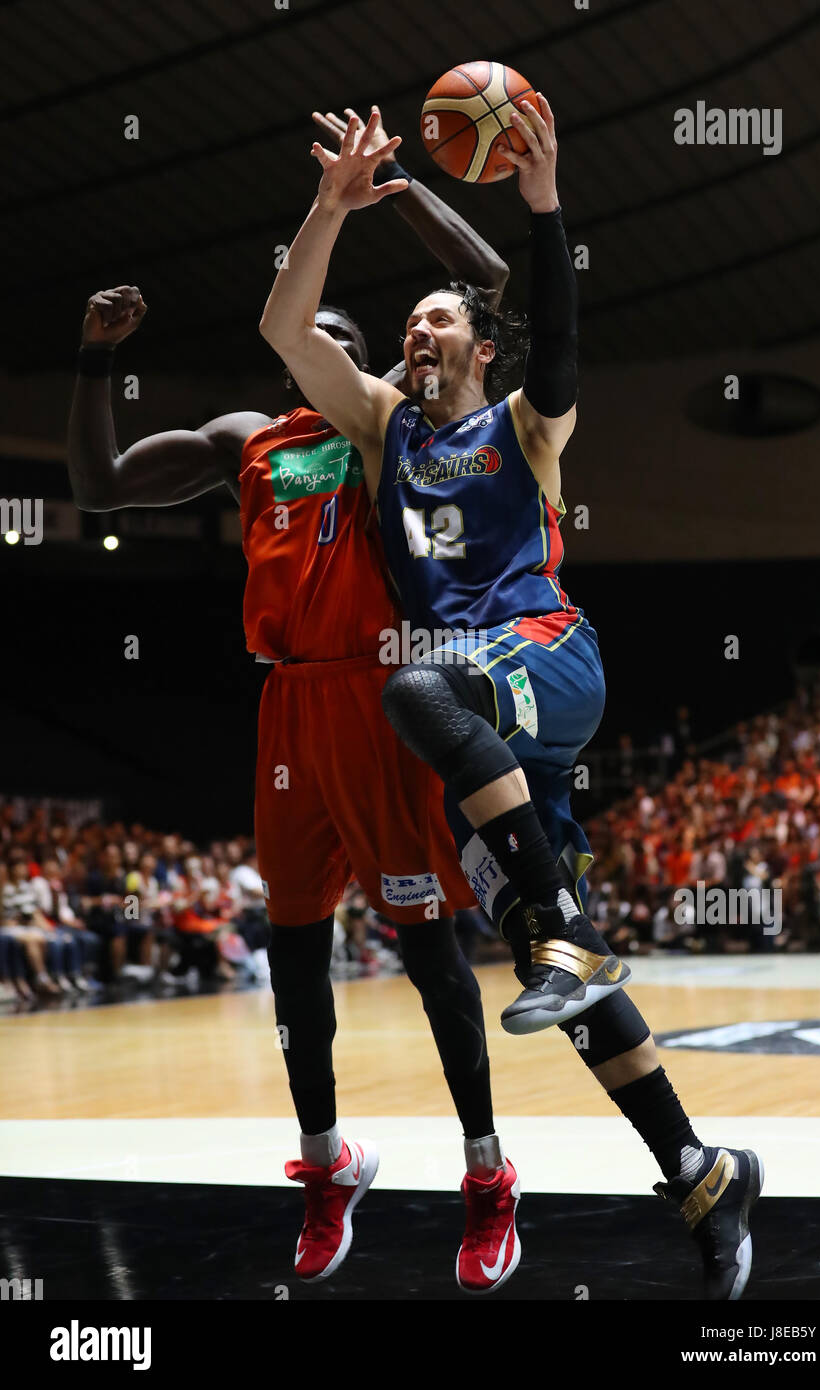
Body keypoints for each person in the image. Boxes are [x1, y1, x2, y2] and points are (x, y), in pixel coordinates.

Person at [260, 100, 763, 1300]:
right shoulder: (381, 430)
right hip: (479, 735)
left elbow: (562, 343)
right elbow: (286, 327)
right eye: (409, 322)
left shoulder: (526, 428)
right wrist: (330, 207)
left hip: (542, 656)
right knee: (555, 966)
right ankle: (698, 1169)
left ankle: (566, 935)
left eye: (436, 317)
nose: (417, 329)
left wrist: (541, 208)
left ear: (481, 347)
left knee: (416, 685)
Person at [67, 106, 520, 1295]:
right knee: (294, 961)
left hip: (382, 701)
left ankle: (486, 1172)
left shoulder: (394, 426)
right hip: (285, 713)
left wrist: (401, 190)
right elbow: (99, 486)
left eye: (335, 336)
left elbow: (492, 283)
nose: (310, 345)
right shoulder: (247, 437)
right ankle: (328, 1164)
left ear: (359, 358)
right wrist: (94, 360)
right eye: (301, 335)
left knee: (430, 956)